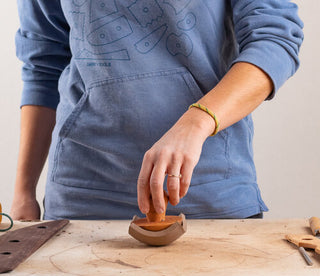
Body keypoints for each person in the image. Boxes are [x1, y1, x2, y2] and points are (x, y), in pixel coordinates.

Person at [11, 0, 303, 221]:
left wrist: (197, 121)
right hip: (82, 197)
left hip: (208, 196)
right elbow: (43, 63)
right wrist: (23, 192)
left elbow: (275, 40)